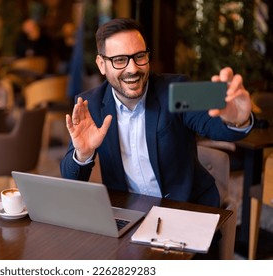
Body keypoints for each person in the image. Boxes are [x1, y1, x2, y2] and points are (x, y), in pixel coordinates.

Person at [60, 18, 253, 208]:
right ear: (101, 65)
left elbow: (214, 126)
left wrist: (238, 120)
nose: (133, 68)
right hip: (128, 211)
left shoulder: (176, 88)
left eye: (139, 56)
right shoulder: (90, 104)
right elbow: (71, 177)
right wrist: (83, 154)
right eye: (119, 60)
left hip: (186, 208)